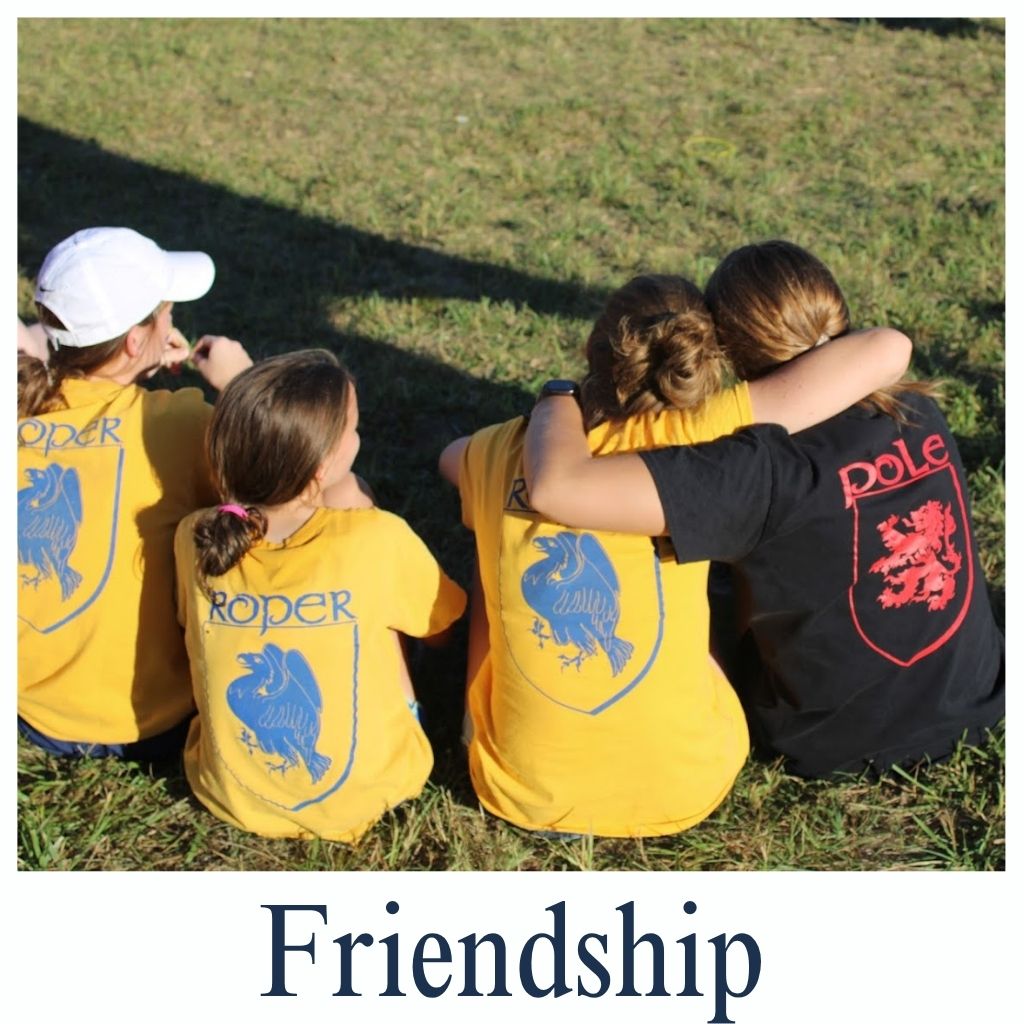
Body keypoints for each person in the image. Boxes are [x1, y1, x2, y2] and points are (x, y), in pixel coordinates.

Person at [439, 273, 910, 837]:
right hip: (685, 786)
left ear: (593, 351)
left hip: (522, 791)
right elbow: (889, 348)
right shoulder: (706, 431)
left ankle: (478, 721)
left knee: (489, 544)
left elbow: (451, 457)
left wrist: (555, 400)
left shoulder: (494, 449)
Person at [524, 241, 1004, 778]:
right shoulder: (914, 407)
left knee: (682, 571)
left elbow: (558, 488)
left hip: (838, 741)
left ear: (726, 352)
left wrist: (558, 395)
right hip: (977, 696)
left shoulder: (752, 469)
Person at [174, 350, 466, 841]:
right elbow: (443, 630)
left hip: (229, 793)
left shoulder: (194, 536)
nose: (359, 435)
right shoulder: (376, 536)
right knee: (383, 610)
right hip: (372, 789)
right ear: (322, 468)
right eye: (354, 428)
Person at [18, 226, 253, 760]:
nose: (172, 321)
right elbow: (290, 471)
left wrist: (138, 360)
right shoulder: (182, 423)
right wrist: (242, 384)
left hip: (32, 709)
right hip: (153, 720)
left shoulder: (20, 410)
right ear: (132, 340)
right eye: (166, 312)